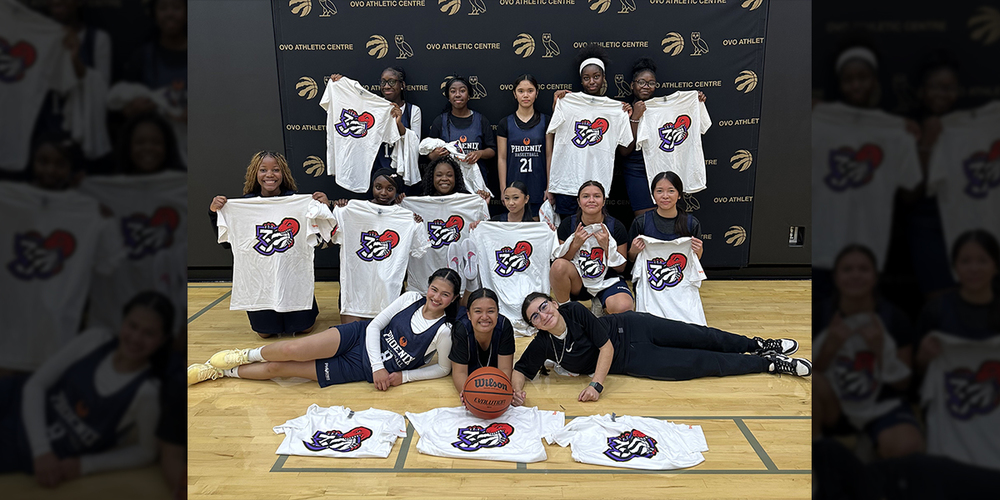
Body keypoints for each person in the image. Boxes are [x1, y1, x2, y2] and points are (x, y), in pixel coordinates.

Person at [0, 291, 174, 487]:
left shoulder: (147, 392)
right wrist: (42, 451)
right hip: (15, 400)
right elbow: (35, 385)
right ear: (122, 322)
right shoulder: (95, 339)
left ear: (163, 340)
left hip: (23, 448)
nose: (136, 338)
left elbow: (146, 451)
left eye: (149, 333)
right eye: (132, 326)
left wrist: (86, 464)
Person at [510, 293, 811, 405]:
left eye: (543, 306)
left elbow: (605, 348)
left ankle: (757, 344)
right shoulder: (543, 342)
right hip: (635, 360)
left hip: (634, 327)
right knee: (697, 364)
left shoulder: (574, 310)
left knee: (702, 336)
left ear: (553, 302)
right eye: (534, 316)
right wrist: (516, 392)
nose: (542, 315)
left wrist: (596, 385)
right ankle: (769, 363)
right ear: (534, 325)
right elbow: (521, 369)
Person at [188, 269, 462, 390]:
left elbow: (442, 369)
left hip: (359, 369)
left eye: (445, 295)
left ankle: (221, 373)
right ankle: (245, 354)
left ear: (454, 299)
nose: (436, 297)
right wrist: (380, 366)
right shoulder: (411, 298)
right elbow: (375, 326)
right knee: (291, 349)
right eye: (434, 289)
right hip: (358, 337)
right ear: (427, 287)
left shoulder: (445, 330)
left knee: (279, 369)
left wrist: (403, 377)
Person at [812, 244, 924, 459]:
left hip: (881, 406)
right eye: (847, 269)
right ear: (835, 277)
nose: (855, 275)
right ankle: (819, 471)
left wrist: (879, 351)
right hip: (834, 406)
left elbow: (903, 384)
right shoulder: (819, 315)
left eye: (863, 269)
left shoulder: (894, 318)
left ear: (875, 276)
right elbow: (804, 376)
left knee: (907, 446)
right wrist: (830, 347)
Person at [208, 150, 330, 338]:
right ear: (255, 174)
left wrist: (323, 208)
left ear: (284, 174)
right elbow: (226, 243)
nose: (270, 175)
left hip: (292, 275)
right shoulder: (243, 206)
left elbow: (323, 237)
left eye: (276, 170)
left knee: (304, 328)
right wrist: (215, 213)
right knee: (265, 333)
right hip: (260, 278)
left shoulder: (299, 202)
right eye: (263, 170)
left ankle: (303, 312)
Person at [617, 58, 706, 216]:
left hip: (663, 166)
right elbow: (625, 151)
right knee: (645, 220)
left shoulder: (669, 109)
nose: (646, 86)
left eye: (651, 83)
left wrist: (695, 103)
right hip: (636, 170)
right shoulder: (624, 110)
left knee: (666, 218)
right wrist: (635, 118)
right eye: (641, 82)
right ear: (632, 85)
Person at [915, 229, 1000, 370]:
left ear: (996, 266)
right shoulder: (936, 310)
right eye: (965, 261)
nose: (974, 269)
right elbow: (917, 372)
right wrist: (923, 358)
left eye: (982, 261)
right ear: (954, 267)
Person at [328, 68, 422, 193]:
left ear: (402, 85)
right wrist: (340, 85)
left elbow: (415, 143)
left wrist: (398, 123)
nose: (387, 86)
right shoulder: (371, 108)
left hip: (400, 174)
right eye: (383, 82)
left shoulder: (413, 111)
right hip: (374, 171)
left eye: (392, 82)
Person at [550, 181, 633, 315]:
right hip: (579, 281)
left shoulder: (615, 227)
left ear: (604, 200)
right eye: (586, 196)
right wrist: (575, 245)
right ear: (578, 201)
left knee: (623, 307)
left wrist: (607, 248)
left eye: (597, 196)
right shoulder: (568, 225)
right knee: (558, 266)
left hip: (607, 280)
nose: (591, 200)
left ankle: (601, 301)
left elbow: (621, 267)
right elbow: (560, 262)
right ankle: (567, 312)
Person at [427, 76, 496, 197]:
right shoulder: (440, 121)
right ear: (448, 96)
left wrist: (479, 153)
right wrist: (437, 154)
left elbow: (492, 150)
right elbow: (429, 155)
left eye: (462, 91)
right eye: (453, 91)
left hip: (476, 184)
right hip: (448, 185)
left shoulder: (480, 120)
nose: (457, 95)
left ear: (469, 95)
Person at [496, 74, 551, 215]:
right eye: (521, 91)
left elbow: (549, 156)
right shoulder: (505, 123)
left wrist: (550, 186)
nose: (525, 95)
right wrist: (503, 189)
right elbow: (502, 158)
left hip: (538, 186)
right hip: (513, 190)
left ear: (537, 93)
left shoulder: (546, 121)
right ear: (514, 94)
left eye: (530, 91)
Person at [449, 288, 515, 402]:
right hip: (470, 379)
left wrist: (499, 394)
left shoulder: (504, 326)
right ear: (469, 314)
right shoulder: (461, 329)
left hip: (494, 380)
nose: (484, 317)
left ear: (498, 313)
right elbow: (460, 372)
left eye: (490, 311)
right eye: (478, 311)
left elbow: (504, 368)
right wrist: (469, 394)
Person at [628, 171, 703, 261]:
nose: (665, 196)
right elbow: (631, 259)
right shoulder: (641, 222)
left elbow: (695, 261)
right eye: (659, 191)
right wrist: (633, 251)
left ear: (679, 195)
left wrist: (699, 251)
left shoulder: (691, 223)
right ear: (653, 195)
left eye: (671, 191)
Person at [117, 112, 185, 174]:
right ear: (127, 146)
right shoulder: (114, 186)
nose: (148, 148)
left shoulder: (185, 184)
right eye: (140, 142)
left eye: (156, 142)